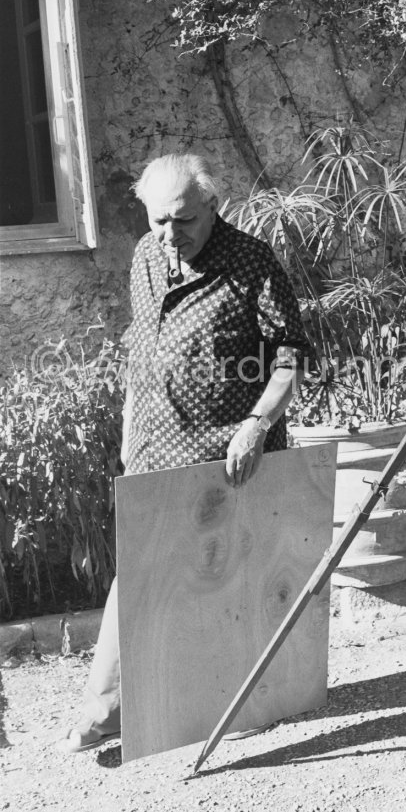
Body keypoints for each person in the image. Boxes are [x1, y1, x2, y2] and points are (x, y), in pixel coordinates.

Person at [60, 152, 310, 753]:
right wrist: (128, 426)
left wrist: (256, 423)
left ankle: (209, 703)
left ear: (212, 206)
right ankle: (112, 706)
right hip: (152, 448)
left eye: (184, 221)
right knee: (142, 569)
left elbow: (290, 356)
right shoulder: (148, 255)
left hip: (225, 455)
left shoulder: (251, 263)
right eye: (159, 222)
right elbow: (141, 347)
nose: (172, 236)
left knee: (224, 578)